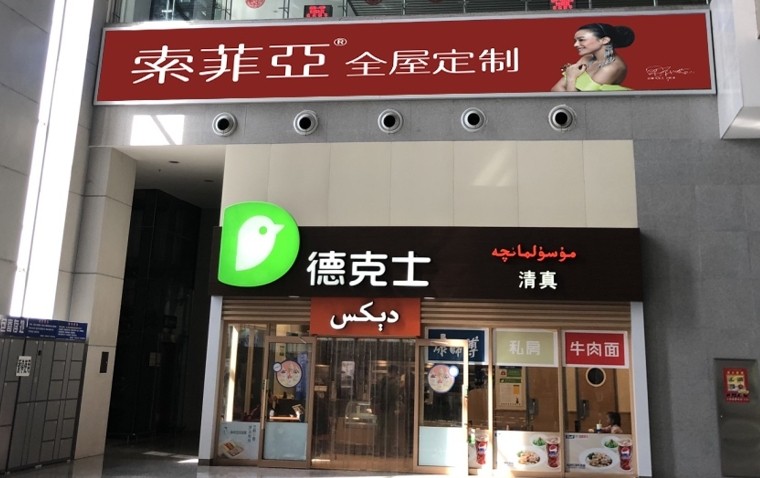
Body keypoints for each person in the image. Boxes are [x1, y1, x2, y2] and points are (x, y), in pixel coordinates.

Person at [551, 23, 635, 92]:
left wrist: (571, 78)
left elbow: (582, 102)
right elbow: (556, 89)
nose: (575, 45)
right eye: (575, 41)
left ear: (604, 40)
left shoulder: (612, 68)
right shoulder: (586, 59)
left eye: (581, 40)